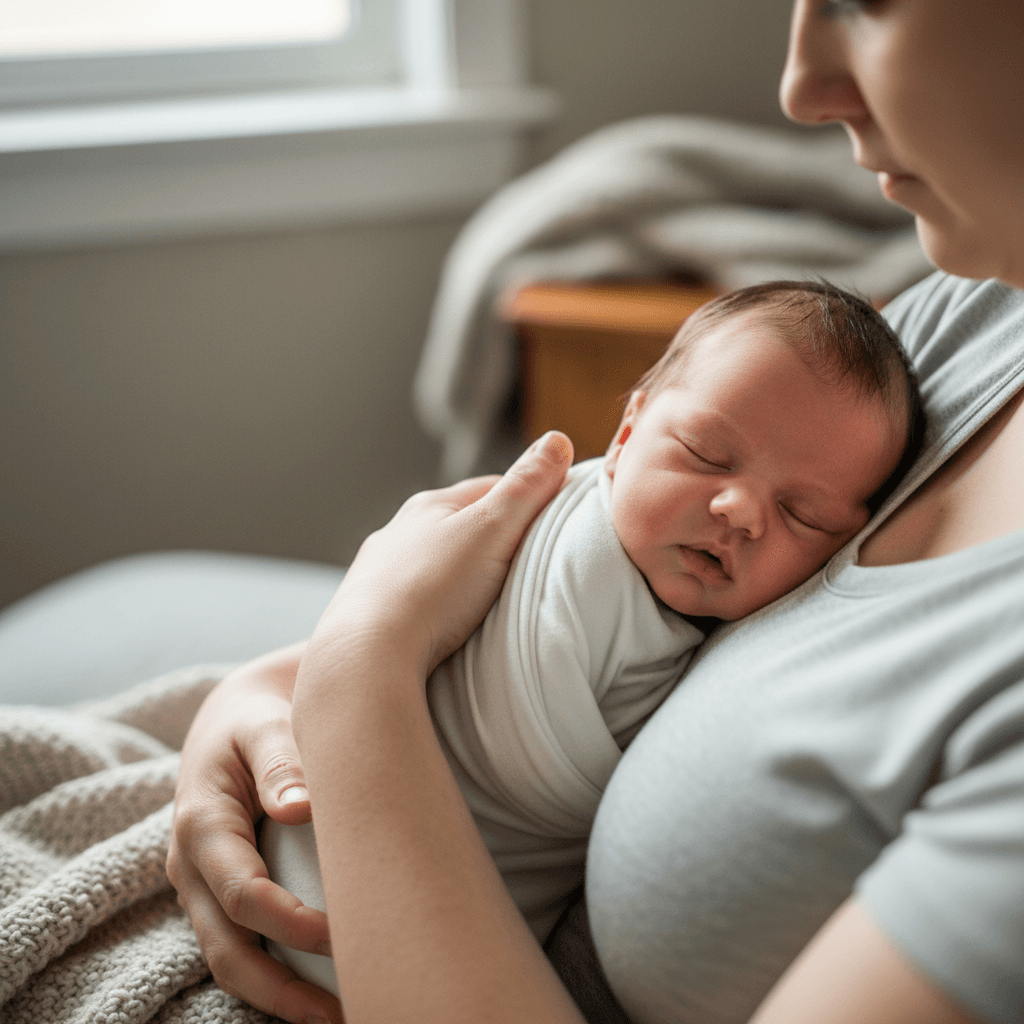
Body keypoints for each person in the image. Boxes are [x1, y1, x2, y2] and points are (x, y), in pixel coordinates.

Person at [166, 1, 1024, 1022]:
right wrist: (265, 703)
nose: (799, 85)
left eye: (864, 2)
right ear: (626, 428)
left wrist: (359, 682)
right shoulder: (979, 297)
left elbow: (378, 667)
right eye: (702, 452)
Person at [258, 279, 923, 997]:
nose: (739, 511)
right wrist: (270, 684)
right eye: (704, 452)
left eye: (803, 514)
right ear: (627, 432)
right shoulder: (580, 550)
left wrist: (352, 662)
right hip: (333, 891)